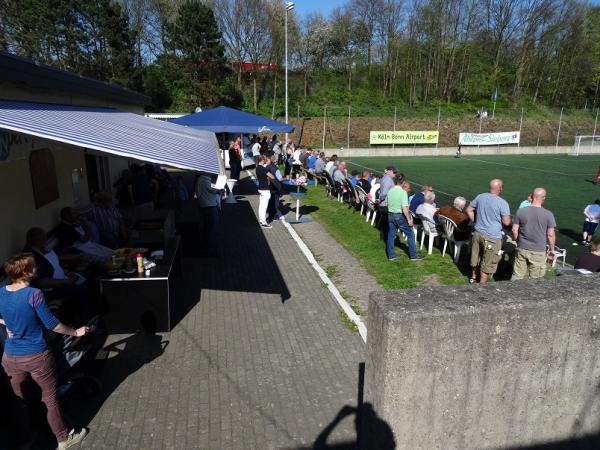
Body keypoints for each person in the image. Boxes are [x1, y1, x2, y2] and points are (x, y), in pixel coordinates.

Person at [0, 253, 90, 449]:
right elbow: (51, 324)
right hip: (36, 355)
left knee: (20, 400)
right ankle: (64, 438)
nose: (37, 269)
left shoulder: (1, 292)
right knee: (49, 398)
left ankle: (25, 440)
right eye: (33, 267)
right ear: (24, 272)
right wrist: (76, 332)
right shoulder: (34, 294)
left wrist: (5, 322)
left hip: (10, 356)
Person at [466, 179, 511, 284]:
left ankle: (473, 277)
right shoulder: (502, 203)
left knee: (475, 257)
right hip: (492, 237)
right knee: (488, 264)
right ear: (500, 188)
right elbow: (507, 222)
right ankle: (482, 286)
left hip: (478, 233)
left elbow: (469, 209)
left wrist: (475, 221)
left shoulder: (480, 196)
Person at [511, 188, 556, 280]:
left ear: (532, 196)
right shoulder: (548, 214)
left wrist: (519, 241)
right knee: (535, 279)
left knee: (517, 275)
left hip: (522, 248)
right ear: (543, 198)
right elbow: (550, 234)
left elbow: (514, 230)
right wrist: (552, 249)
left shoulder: (521, 211)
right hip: (538, 251)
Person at [386, 175, 423, 261]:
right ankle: (413, 255)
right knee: (410, 234)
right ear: (403, 182)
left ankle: (391, 255)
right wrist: (409, 219)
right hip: (399, 216)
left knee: (391, 235)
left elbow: (387, 204)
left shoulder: (390, 190)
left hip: (390, 215)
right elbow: (405, 208)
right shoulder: (403, 192)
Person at [195, 174, 222, 257]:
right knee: (213, 229)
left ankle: (206, 248)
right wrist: (219, 189)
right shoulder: (205, 180)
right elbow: (214, 190)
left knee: (207, 228)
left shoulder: (200, 180)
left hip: (203, 206)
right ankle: (211, 251)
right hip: (210, 206)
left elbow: (198, 194)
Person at [256, 154, 276, 228]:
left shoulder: (257, 168)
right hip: (265, 189)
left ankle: (261, 220)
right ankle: (264, 222)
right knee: (264, 207)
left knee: (261, 206)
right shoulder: (263, 169)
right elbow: (272, 176)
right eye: (265, 159)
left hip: (260, 188)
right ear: (263, 160)